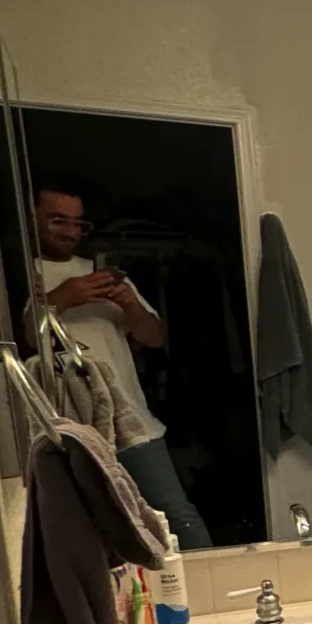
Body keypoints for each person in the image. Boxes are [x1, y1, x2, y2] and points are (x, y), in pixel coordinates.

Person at [30, 181, 213, 550]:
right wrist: (59, 300)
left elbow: (154, 336)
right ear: (32, 218)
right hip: (70, 430)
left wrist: (129, 303)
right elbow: (23, 344)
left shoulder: (106, 273)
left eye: (78, 224)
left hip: (132, 420)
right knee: (93, 530)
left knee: (177, 516)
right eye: (57, 221)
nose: (70, 232)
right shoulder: (21, 275)